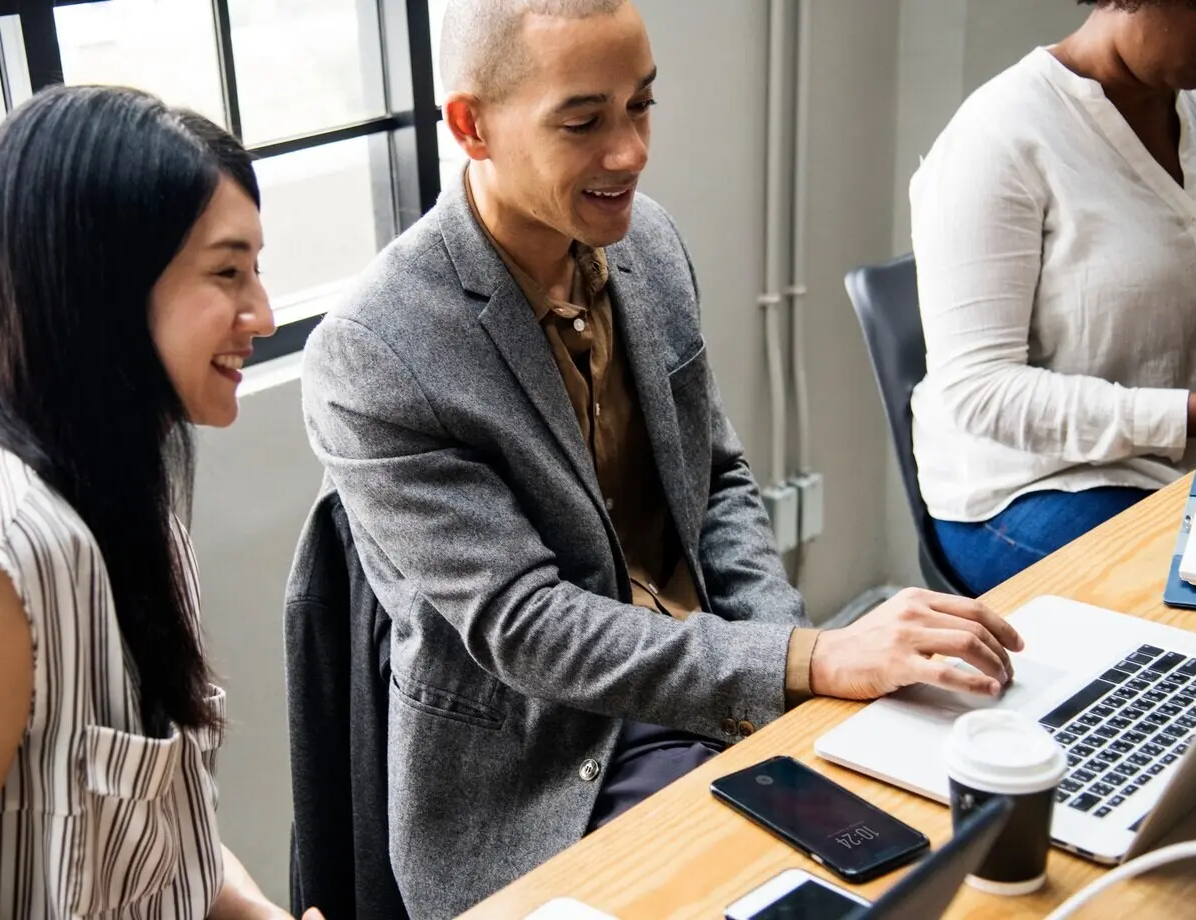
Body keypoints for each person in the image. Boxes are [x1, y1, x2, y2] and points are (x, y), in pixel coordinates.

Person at [301, 1, 1023, 915]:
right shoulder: (376, 349)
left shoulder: (648, 245)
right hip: (554, 763)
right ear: (471, 126)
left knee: (951, 821)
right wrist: (803, 659)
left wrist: (794, 673)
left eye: (641, 106)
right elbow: (528, 625)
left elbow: (716, 480)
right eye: (585, 120)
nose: (631, 151)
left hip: (715, 679)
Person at [0, 85, 322, 920]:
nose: (263, 314)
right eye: (228, 271)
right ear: (105, 293)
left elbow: (169, 846)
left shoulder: (131, 516)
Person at [910, 0, 1196, 595]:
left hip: (1178, 465)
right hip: (1037, 485)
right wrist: (1190, 414)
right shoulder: (998, 137)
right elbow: (981, 390)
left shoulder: (1193, 106)